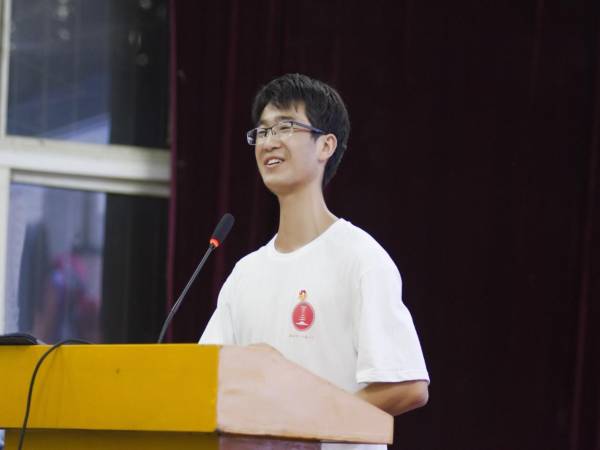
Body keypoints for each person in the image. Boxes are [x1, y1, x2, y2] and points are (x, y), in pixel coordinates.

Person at [199, 73, 429, 448]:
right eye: (262, 131)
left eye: (285, 126)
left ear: (326, 145)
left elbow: (407, 386)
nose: (269, 141)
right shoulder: (245, 274)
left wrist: (301, 428)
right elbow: (205, 382)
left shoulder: (360, 257)